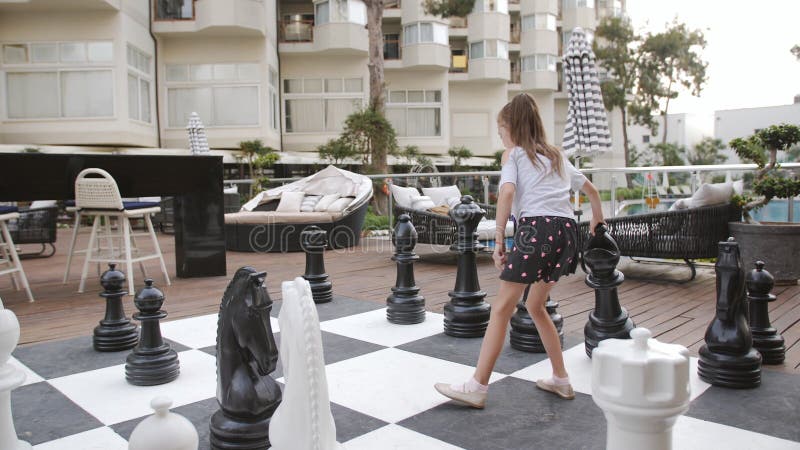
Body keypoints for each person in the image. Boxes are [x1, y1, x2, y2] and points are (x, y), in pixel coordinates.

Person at [434, 93, 605, 409]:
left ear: (511, 128)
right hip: (567, 232)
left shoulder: (512, 155)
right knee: (536, 305)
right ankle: (561, 379)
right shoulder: (556, 156)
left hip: (537, 230)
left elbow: (508, 193)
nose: (501, 138)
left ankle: (477, 386)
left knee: (501, 308)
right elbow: (591, 190)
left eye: (501, 132)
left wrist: (499, 240)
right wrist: (597, 217)